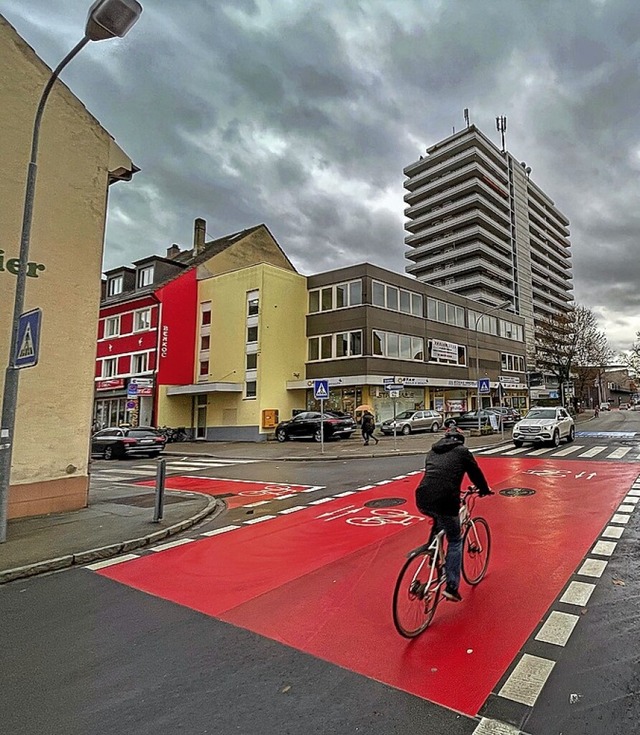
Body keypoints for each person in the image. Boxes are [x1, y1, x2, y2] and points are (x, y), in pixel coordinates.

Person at [414, 425, 493, 602]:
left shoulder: (432, 452)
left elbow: (437, 475)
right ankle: (451, 586)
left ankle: (432, 553)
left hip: (422, 498)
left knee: (438, 519)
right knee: (456, 540)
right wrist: (484, 489)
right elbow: (476, 474)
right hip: (445, 500)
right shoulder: (462, 452)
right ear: (460, 440)